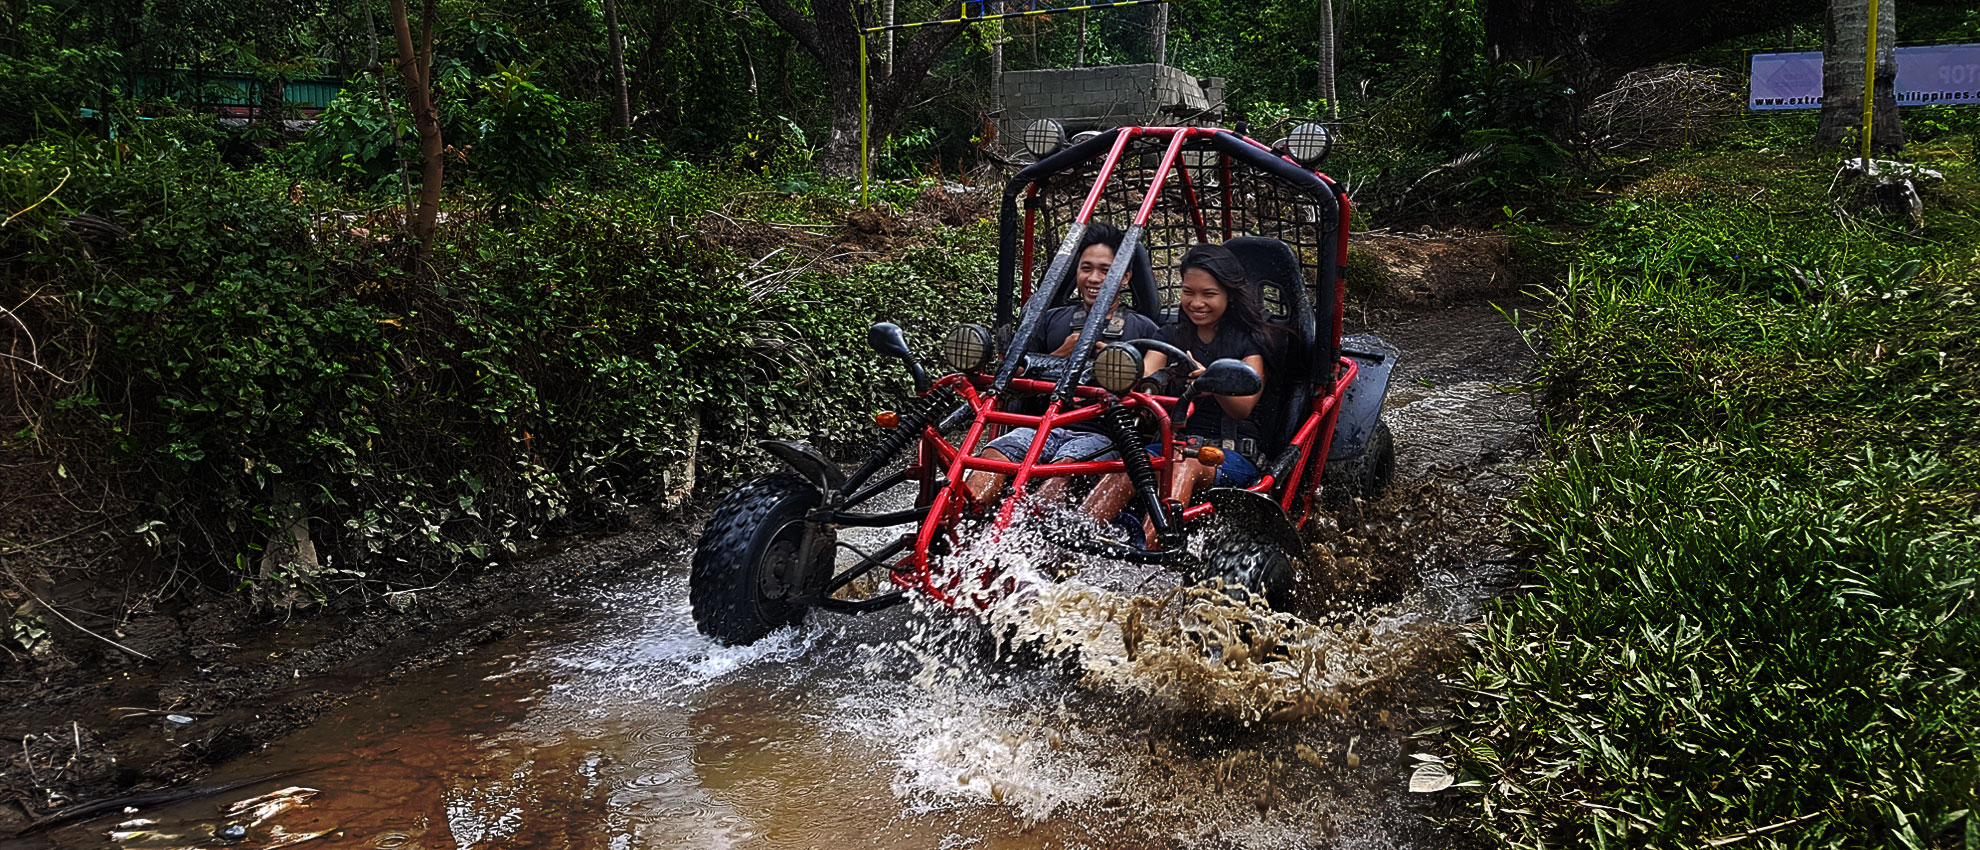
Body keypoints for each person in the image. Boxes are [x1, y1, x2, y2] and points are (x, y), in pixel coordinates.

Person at [965, 221, 1161, 503]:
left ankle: (1034, 532)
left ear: (1126, 277)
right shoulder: (1050, 320)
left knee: (1062, 470)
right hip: (1043, 425)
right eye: (1086, 268)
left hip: (1102, 435)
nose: (1094, 279)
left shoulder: (1144, 331)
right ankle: (959, 523)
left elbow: (1152, 397)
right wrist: (1062, 353)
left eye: (1106, 271)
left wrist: (1115, 369)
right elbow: (1015, 377)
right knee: (993, 456)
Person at [1087, 243, 1270, 541]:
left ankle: (1155, 548)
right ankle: (1074, 542)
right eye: (1188, 292)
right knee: (1129, 464)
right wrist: (1120, 365)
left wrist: (1211, 383)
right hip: (1172, 445)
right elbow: (1143, 377)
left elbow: (1243, 408)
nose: (1196, 302)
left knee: (1181, 465)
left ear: (1229, 295)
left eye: (1208, 294)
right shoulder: (1172, 335)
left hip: (1228, 452)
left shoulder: (1248, 342)